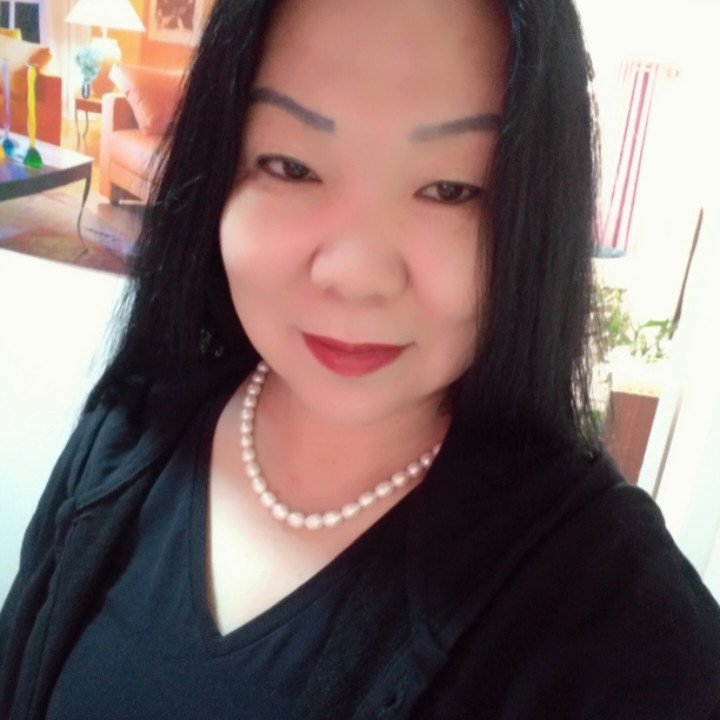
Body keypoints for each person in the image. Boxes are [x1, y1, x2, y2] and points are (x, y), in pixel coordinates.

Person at [1, 0, 719, 717]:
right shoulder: (131, 425)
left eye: (450, 190)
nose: (355, 275)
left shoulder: (627, 625)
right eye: (291, 167)